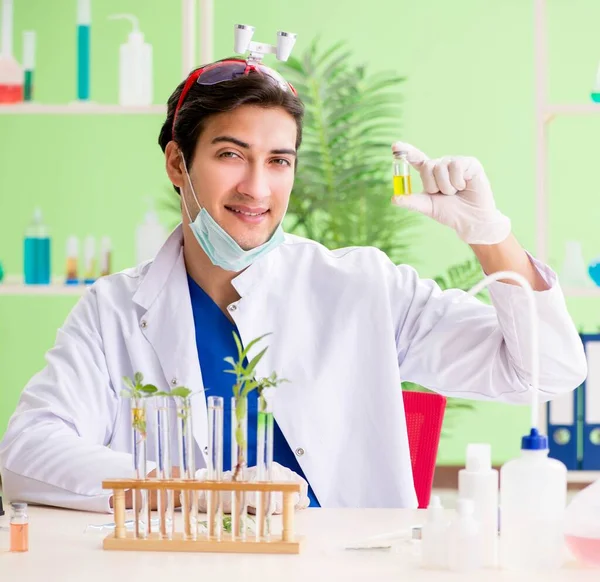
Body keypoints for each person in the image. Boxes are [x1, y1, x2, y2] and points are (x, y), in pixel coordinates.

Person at [0, 57, 587, 513]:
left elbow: (546, 370)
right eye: (232, 154)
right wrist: (202, 492)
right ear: (178, 163)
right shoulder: (114, 311)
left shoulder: (362, 287)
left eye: (279, 161)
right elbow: (27, 453)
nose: (257, 188)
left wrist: (489, 236)